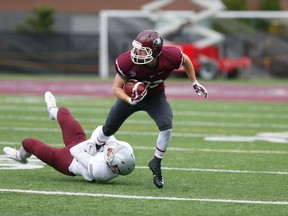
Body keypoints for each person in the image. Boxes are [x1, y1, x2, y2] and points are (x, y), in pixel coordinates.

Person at [91, 30, 208, 188]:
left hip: (155, 96)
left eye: (142, 50)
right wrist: (129, 99)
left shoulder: (170, 55)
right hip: (131, 98)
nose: (137, 53)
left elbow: (185, 60)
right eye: (137, 48)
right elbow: (116, 87)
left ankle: (156, 163)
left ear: (155, 52)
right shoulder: (126, 61)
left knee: (166, 124)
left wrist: (194, 81)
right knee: (109, 127)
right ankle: (93, 149)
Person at [3, 91, 136, 182]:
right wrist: (96, 142)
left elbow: (75, 151)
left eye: (112, 152)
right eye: (114, 149)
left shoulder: (99, 170)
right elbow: (103, 130)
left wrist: (95, 142)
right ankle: (52, 111)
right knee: (64, 113)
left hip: (69, 161)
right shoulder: (125, 149)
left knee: (28, 143)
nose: (111, 149)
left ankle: (20, 157)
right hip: (84, 145)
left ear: (112, 166)